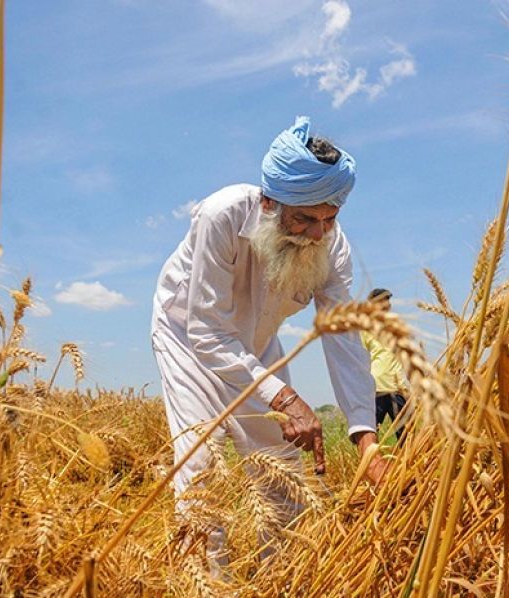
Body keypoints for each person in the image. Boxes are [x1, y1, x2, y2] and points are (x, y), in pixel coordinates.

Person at [150, 116, 387, 564]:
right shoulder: (222, 215)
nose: (317, 233)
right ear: (268, 203)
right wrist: (282, 397)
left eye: (330, 218)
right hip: (188, 341)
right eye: (304, 219)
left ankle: (282, 579)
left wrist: (365, 438)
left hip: (257, 352)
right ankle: (204, 587)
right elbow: (206, 329)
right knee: (202, 475)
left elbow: (343, 337)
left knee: (283, 477)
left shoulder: (330, 245)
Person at [361, 289, 410, 440]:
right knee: (371, 433)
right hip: (377, 388)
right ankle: (371, 462)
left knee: (406, 435)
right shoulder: (366, 329)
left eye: (387, 300)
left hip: (397, 388)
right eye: (382, 300)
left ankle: (406, 463)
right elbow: (361, 358)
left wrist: (408, 386)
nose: (386, 304)